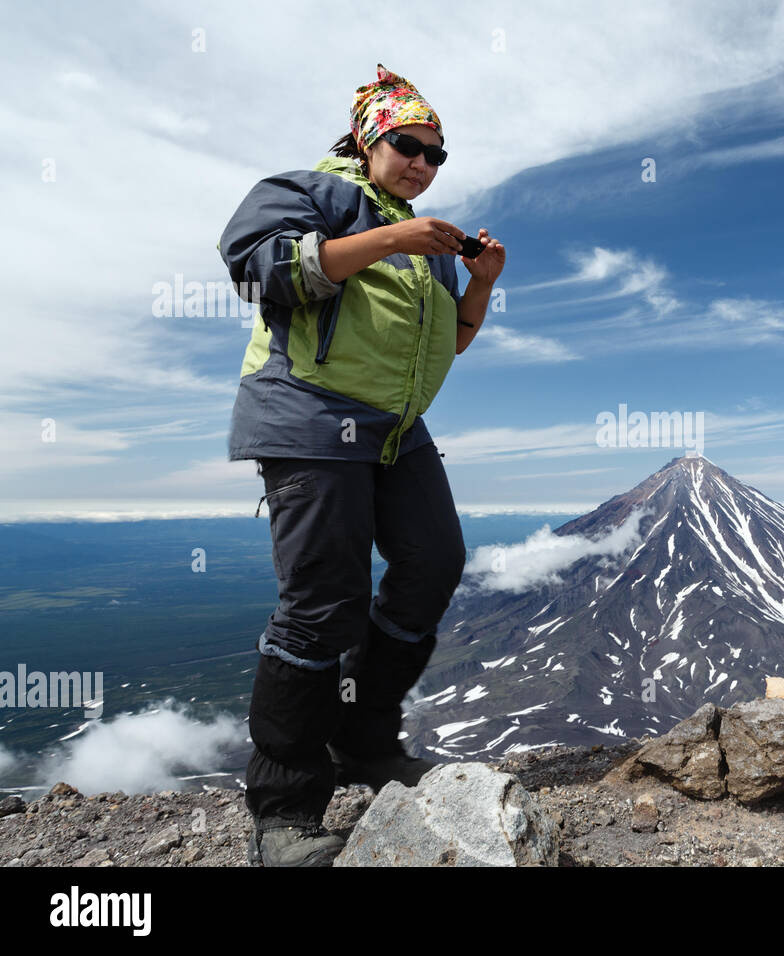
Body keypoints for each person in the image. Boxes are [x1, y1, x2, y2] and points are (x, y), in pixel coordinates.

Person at [218, 64, 506, 866]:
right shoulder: (310, 192)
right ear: (369, 138)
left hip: (396, 430)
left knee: (433, 562)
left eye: (436, 154)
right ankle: (282, 811)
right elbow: (259, 268)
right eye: (409, 146)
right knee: (322, 605)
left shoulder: (431, 245)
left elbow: (445, 344)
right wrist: (390, 238)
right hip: (310, 415)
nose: (422, 164)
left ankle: (364, 737)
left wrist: (477, 287)